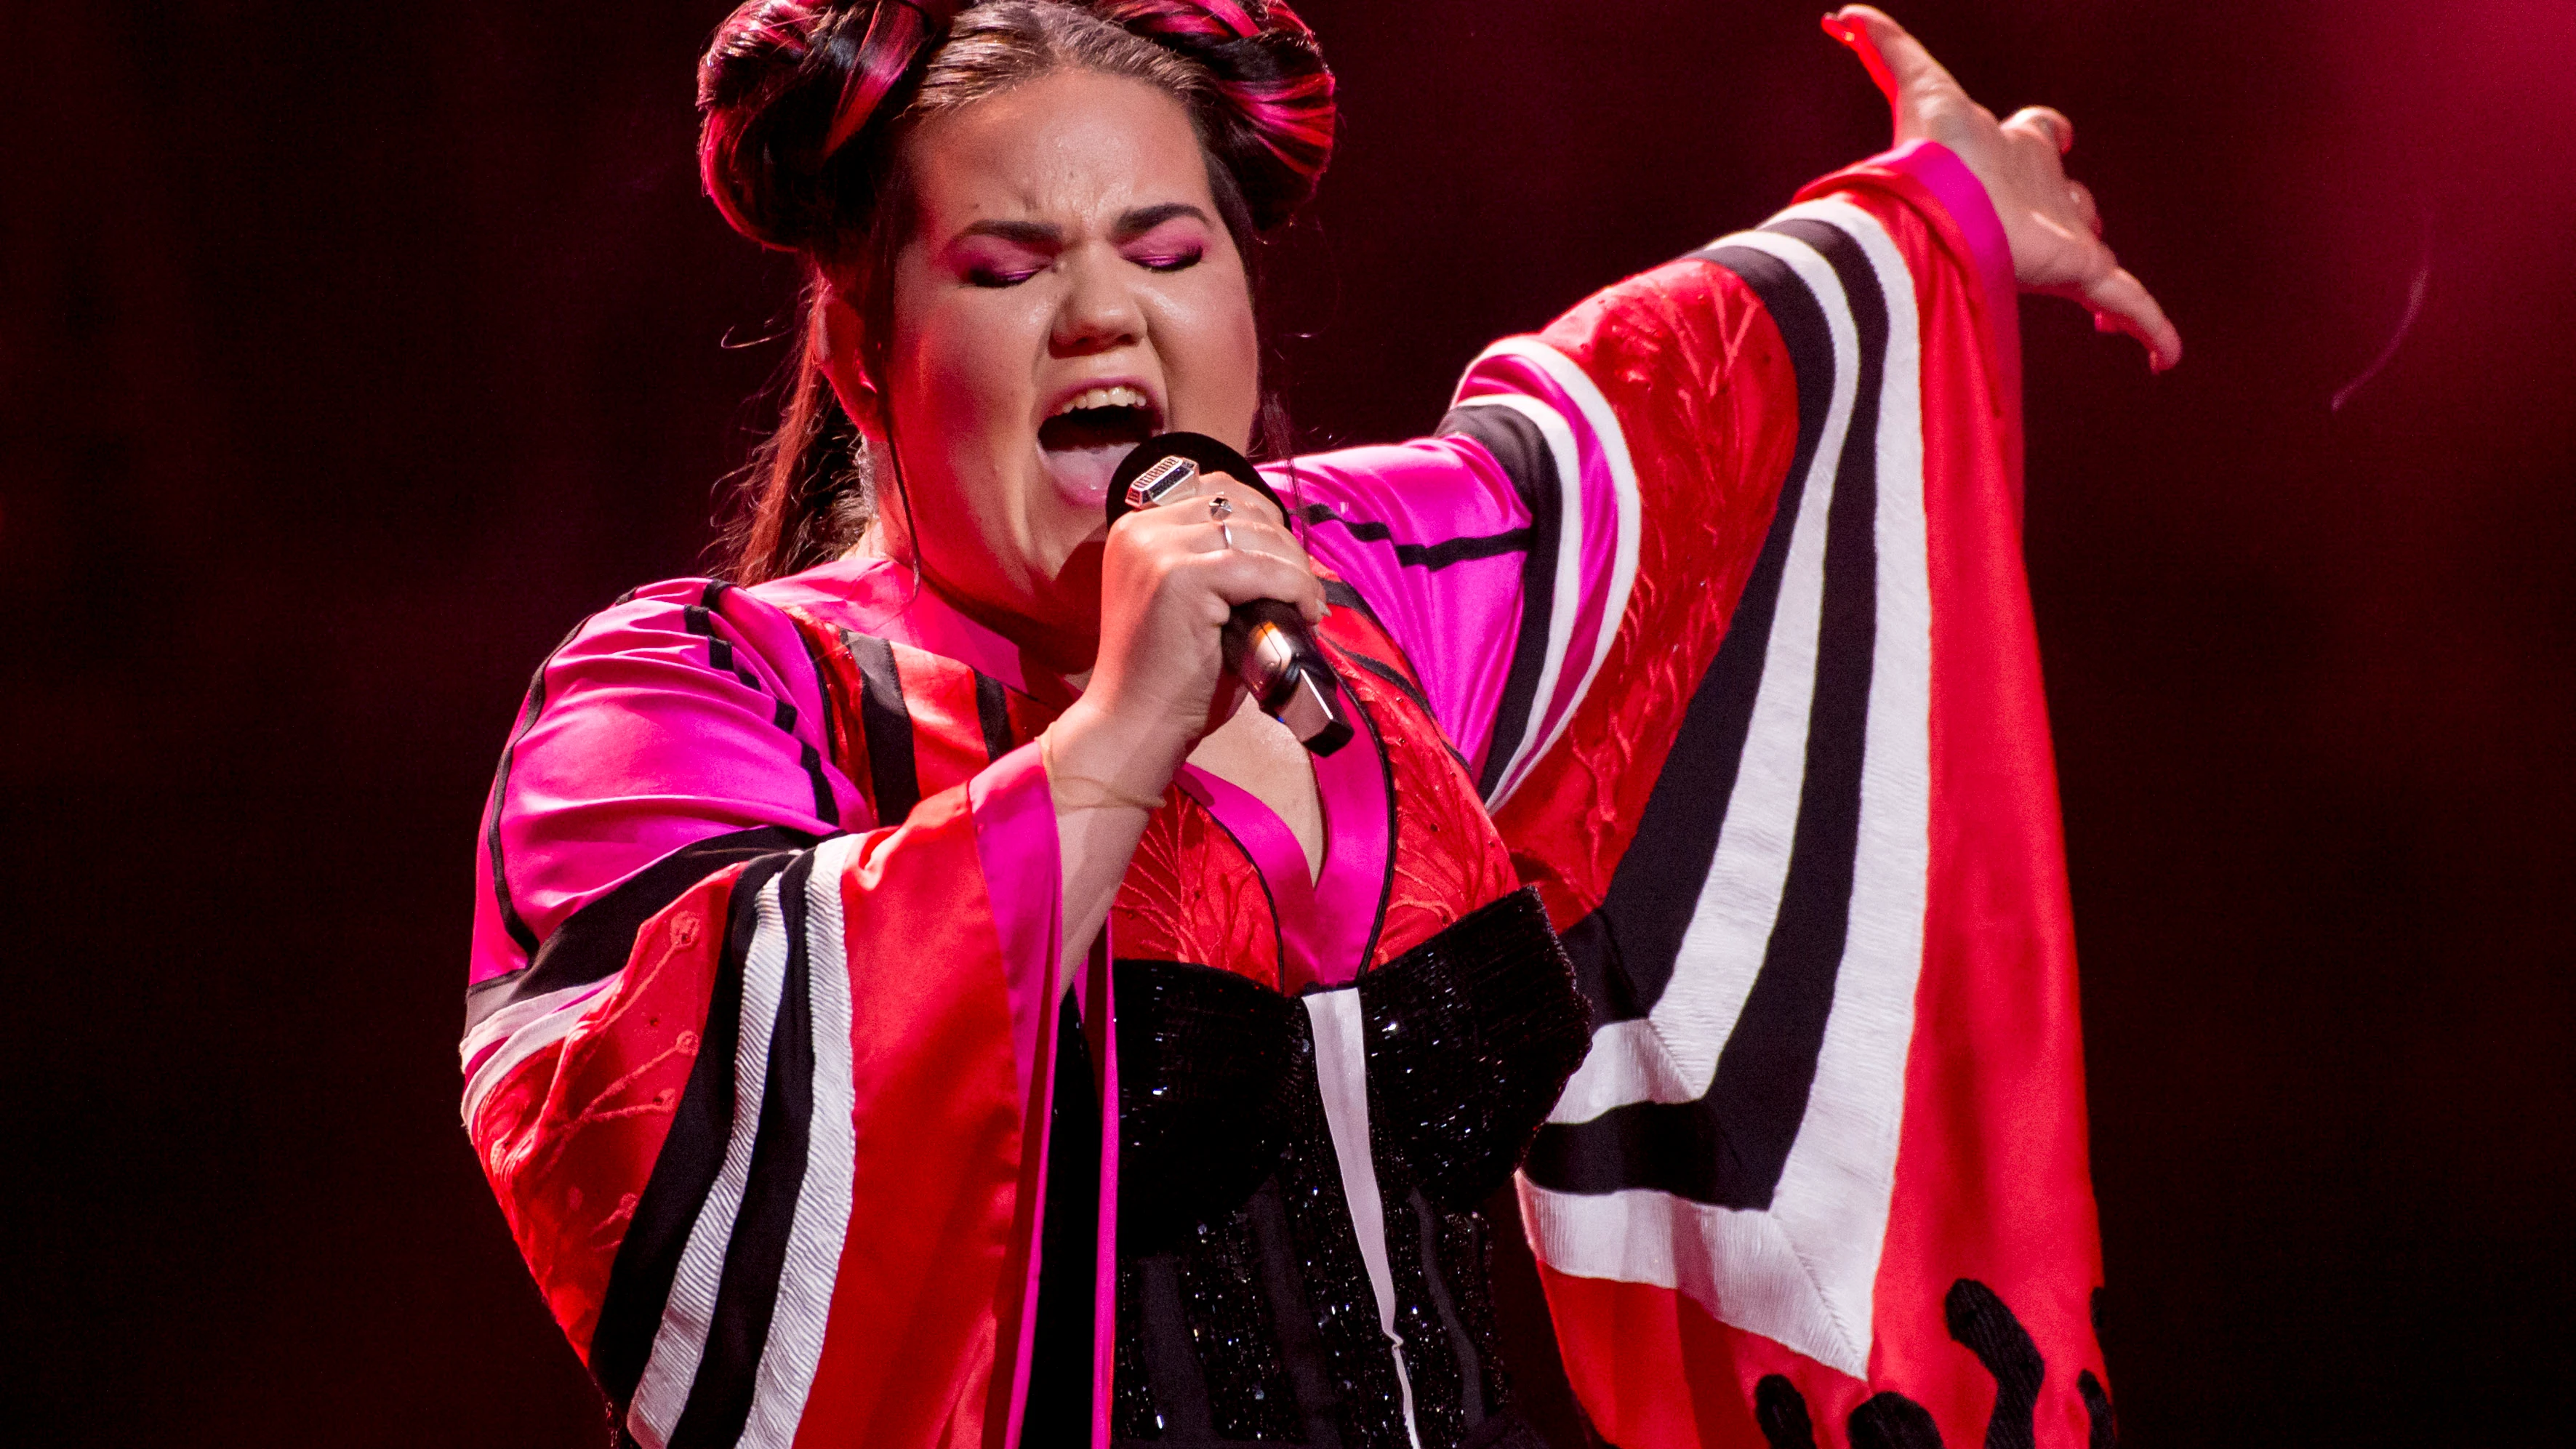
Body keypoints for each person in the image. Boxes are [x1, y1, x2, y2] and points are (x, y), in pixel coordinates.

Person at [458, 4, 2176, 1446]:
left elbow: (1674, 419)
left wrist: (1933, 216)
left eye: (1167, 249)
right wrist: (1121, 736)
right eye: (1006, 267)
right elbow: (664, 1139)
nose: (1103, 314)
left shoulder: (1359, 602)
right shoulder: (698, 695)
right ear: (857, 357)